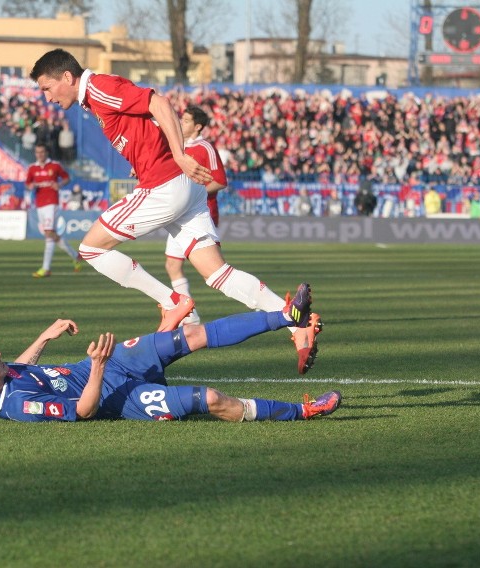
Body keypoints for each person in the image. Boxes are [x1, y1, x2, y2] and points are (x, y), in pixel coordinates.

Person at [29, 48, 321, 374]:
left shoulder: (98, 87)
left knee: (91, 248)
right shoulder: (93, 99)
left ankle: (172, 302)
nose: (47, 97)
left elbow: (159, 103)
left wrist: (179, 154)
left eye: (47, 88)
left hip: (165, 185)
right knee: (217, 274)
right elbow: (147, 122)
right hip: (183, 187)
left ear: (67, 77)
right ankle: (298, 326)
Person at [0, 282, 341, 422]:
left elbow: (21, 365)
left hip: (109, 362)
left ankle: (287, 316)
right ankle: (303, 411)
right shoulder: (19, 405)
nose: (0, 354)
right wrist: (99, 367)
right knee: (209, 399)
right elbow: (82, 412)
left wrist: (46, 336)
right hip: (113, 395)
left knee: (192, 334)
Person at [163, 105, 228, 326]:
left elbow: (219, 181)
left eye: (187, 120)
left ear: (198, 126)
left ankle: (266, 305)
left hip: (200, 214)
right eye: (182, 118)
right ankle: (190, 317)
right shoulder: (178, 146)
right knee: (172, 265)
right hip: (180, 215)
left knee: (214, 274)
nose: (182, 122)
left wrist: (191, 193)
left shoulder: (204, 148)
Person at [27, 143, 82, 277]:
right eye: (37, 152)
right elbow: (28, 183)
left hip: (52, 204)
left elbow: (66, 178)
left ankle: (46, 268)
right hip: (39, 204)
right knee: (51, 235)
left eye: (42, 152)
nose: (39, 155)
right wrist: (31, 186)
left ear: (46, 153)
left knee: (48, 233)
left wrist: (60, 184)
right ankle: (76, 256)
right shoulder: (32, 168)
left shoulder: (55, 166)